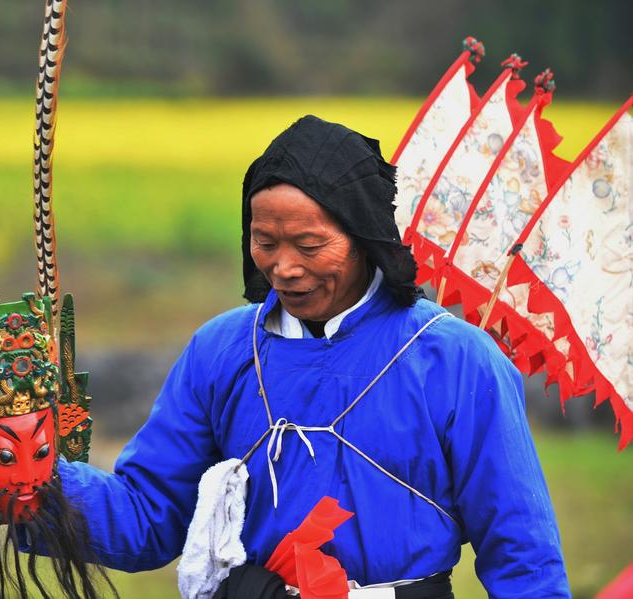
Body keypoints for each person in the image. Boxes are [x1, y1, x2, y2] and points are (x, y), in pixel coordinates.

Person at [40, 116, 571, 597]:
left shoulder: (457, 360)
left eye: (310, 245)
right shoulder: (221, 351)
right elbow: (148, 518)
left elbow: (523, 556)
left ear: (364, 239)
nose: (284, 267)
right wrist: (32, 478)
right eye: (264, 241)